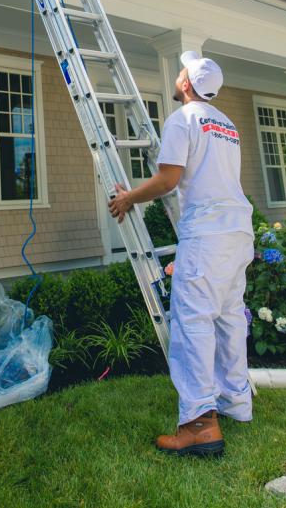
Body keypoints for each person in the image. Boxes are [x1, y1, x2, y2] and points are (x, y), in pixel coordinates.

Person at [108, 51, 253, 457]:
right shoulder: (226, 124)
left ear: (186, 83)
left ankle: (198, 425)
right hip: (237, 229)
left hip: (207, 233)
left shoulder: (183, 119)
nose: (177, 75)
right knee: (227, 319)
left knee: (192, 322)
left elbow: (168, 180)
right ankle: (237, 404)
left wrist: (128, 199)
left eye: (181, 71)